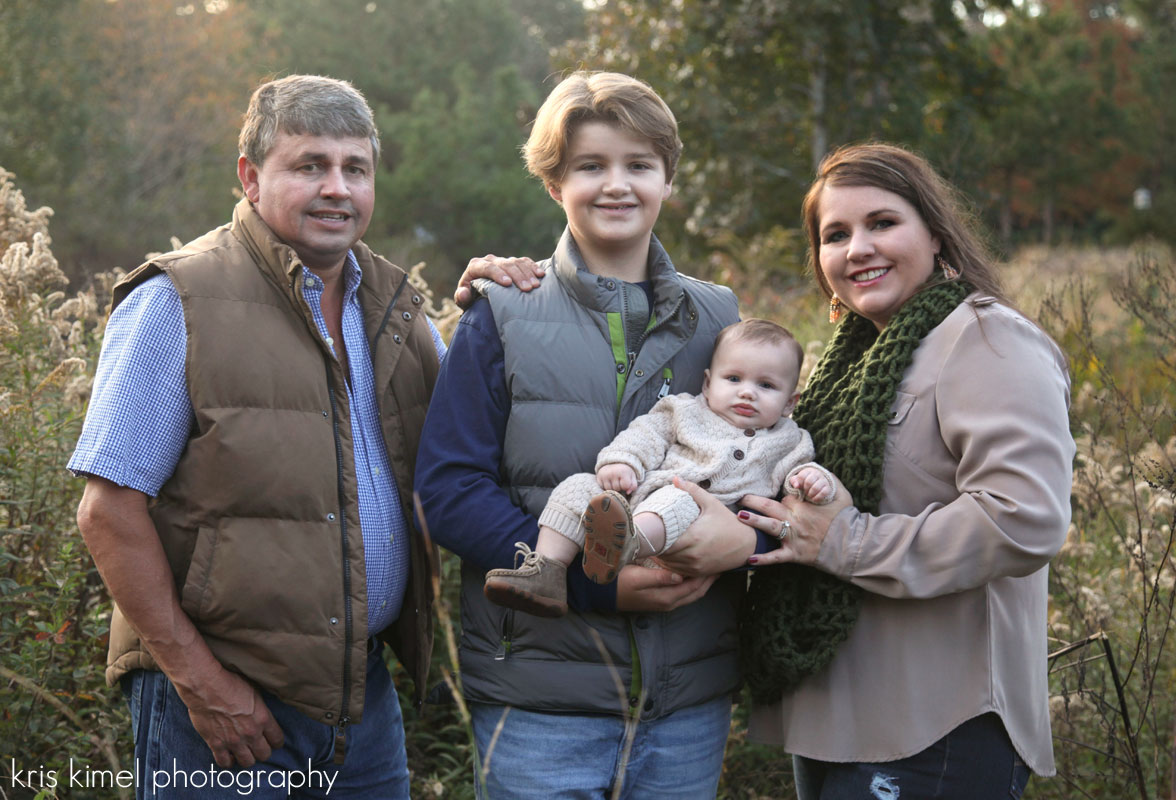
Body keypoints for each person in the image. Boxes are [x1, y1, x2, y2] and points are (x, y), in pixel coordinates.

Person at [69, 74, 528, 799]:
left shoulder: (397, 306)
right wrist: (203, 683)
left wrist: (494, 315)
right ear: (251, 177)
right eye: (309, 165)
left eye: (356, 168)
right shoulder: (176, 301)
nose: (336, 188)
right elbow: (108, 511)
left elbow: (469, 448)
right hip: (222, 708)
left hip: (361, 699)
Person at [414, 71, 752, 798]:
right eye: (590, 166)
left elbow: (760, 459)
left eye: (639, 165)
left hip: (688, 701)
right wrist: (590, 586)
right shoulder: (502, 311)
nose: (616, 185)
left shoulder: (721, 318)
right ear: (554, 182)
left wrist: (746, 542)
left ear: (668, 177)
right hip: (541, 700)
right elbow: (449, 490)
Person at [706, 143, 1074, 799]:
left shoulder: (987, 340)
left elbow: (1024, 518)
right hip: (832, 720)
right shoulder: (846, 365)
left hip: (937, 726)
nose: (857, 249)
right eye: (835, 235)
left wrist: (844, 540)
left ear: (935, 232)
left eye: (882, 223)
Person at [483, 318, 837, 618]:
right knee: (578, 486)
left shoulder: (790, 440)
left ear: (791, 402)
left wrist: (811, 480)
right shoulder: (683, 411)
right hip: (635, 498)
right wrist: (623, 461)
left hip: (696, 525)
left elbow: (796, 482)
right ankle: (545, 570)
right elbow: (646, 435)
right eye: (734, 379)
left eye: (766, 385)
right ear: (707, 383)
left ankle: (626, 543)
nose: (747, 393)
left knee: (678, 499)